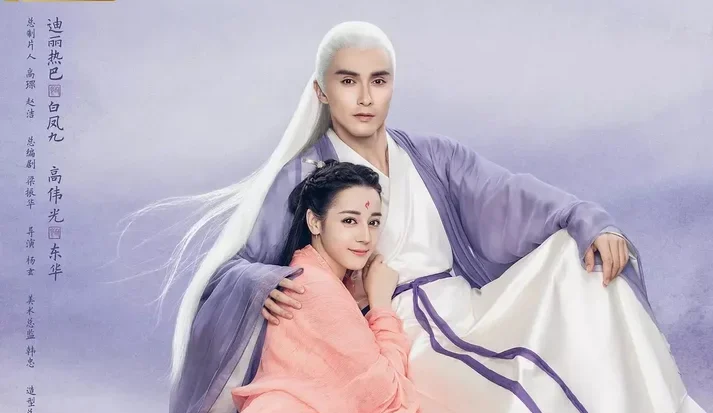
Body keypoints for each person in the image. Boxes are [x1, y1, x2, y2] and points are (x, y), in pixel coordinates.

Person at [161, 21, 706, 413]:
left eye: (378, 80)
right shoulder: (303, 176)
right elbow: (236, 267)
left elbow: (509, 194)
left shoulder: (431, 156)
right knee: (501, 394)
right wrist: (259, 280)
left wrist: (589, 219)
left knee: (577, 260)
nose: (365, 97)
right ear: (322, 91)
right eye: (348, 81)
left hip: (468, 306)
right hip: (392, 334)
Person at [229, 159, 419, 413]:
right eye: (349, 221)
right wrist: (381, 305)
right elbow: (387, 395)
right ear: (315, 222)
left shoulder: (310, 275)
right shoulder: (315, 289)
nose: (365, 237)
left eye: (373, 222)